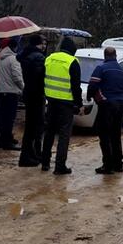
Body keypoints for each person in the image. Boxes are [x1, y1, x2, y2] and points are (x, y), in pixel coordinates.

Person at [42, 36, 82, 175]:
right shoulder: (73, 62)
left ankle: (45, 162)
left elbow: (43, 77)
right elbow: (76, 86)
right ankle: (59, 166)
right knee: (64, 135)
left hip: (51, 101)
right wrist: (79, 104)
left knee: (49, 132)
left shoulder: (50, 58)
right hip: (66, 103)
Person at [87, 47, 123, 174]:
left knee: (104, 135)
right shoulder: (122, 71)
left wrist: (89, 97)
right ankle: (118, 164)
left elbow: (93, 85)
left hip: (107, 105)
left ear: (105, 56)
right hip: (120, 104)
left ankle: (108, 165)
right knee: (116, 135)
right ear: (115, 56)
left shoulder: (101, 68)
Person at [18, 34, 47, 166]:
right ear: (38, 44)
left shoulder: (24, 55)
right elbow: (39, 78)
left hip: (28, 93)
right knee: (34, 127)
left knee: (30, 126)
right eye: (43, 43)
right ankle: (28, 156)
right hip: (36, 95)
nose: (44, 46)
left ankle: (30, 154)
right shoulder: (39, 58)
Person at [0, 38, 25, 149]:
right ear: (15, 47)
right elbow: (17, 77)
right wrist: (23, 88)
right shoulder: (13, 59)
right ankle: (7, 142)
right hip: (12, 92)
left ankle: (3, 138)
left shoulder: (0, 58)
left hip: (2, 91)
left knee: (3, 117)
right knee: (10, 118)